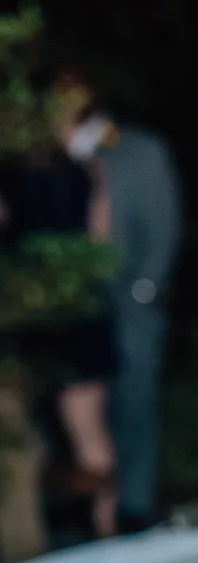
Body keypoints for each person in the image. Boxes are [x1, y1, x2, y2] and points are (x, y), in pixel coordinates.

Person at [58, 79, 182, 533]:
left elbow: (164, 225)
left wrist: (146, 289)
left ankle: (135, 504)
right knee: (82, 408)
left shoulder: (139, 150)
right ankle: (96, 514)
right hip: (73, 305)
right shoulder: (49, 155)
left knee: (135, 401)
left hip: (130, 298)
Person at [0, 97, 117, 539]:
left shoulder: (15, 173)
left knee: (32, 436)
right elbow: (100, 239)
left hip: (30, 313)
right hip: (75, 309)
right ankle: (102, 533)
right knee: (89, 435)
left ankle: (74, 533)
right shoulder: (85, 172)